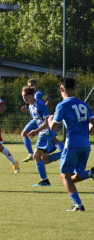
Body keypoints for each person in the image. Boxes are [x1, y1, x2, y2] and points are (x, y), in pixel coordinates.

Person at [48, 76, 94, 211]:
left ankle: (78, 205)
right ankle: (91, 173)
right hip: (86, 144)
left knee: (64, 176)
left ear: (61, 89)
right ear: (74, 89)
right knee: (75, 175)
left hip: (72, 143)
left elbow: (53, 127)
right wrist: (86, 133)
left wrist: (50, 119)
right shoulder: (84, 104)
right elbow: (93, 123)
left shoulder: (62, 105)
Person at [22, 85, 64, 186]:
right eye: (23, 96)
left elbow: (46, 121)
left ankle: (45, 181)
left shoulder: (40, 104)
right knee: (44, 160)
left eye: (26, 96)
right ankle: (65, 153)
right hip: (44, 132)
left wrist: (36, 131)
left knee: (36, 156)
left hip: (46, 132)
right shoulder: (31, 106)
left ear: (32, 95)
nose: (24, 98)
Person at [21, 79, 54, 162]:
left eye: (32, 85)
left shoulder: (39, 94)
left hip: (42, 119)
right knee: (23, 133)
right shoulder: (28, 96)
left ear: (36, 85)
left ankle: (63, 151)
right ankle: (31, 154)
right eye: (29, 86)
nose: (31, 87)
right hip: (36, 119)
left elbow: (49, 101)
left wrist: (43, 111)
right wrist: (27, 110)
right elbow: (34, 110)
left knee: (53, 138)